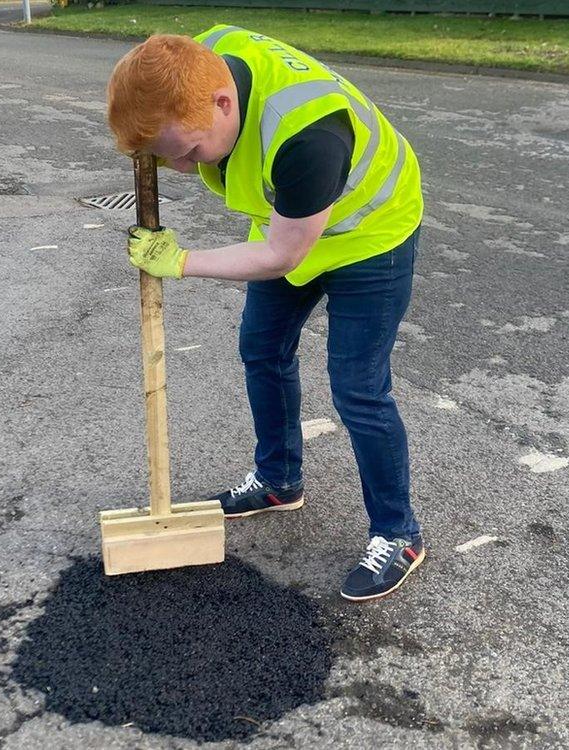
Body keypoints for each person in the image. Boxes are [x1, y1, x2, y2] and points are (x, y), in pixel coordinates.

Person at [107, 25, 425, 601]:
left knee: (358, 388)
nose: (181, 168)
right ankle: (279, 480)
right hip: (294, 220)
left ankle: (398, 533)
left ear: (222, 103)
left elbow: (280, 256)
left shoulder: (308, 138)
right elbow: (152, 99)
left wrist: (181, 262)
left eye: (186, 153)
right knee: (262, 347)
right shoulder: (199, 60)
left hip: (368, 236)